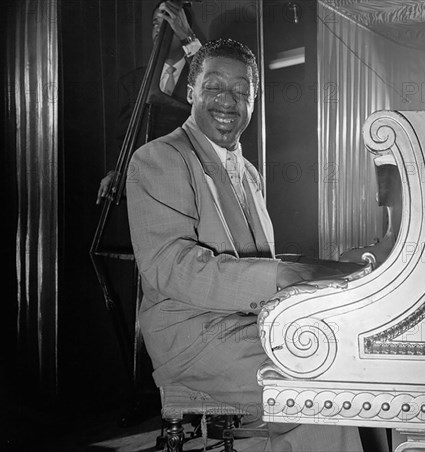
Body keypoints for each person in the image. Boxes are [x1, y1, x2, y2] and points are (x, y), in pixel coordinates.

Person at [125, 38, 366, 451]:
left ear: (253, 102)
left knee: (344, 360)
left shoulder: (249, 172)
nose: (227, 100)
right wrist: (285, 274)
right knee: (321, 383)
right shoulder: (159, 157)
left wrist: (336, 270)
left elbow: (255, 259)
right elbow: (170, 266)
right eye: (215, 86)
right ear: (190, 92)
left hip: (244, 327)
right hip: (192, 336)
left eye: (241, 91)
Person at [96, 1, 202, 205]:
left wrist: (188, 38)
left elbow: (212, 81)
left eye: (167, 22)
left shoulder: (199, 76)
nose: (158, 29)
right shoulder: (132, 82)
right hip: (143, 194)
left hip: (187, 192)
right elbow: (122, 137)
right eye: (154, 23)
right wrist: (116, 170)